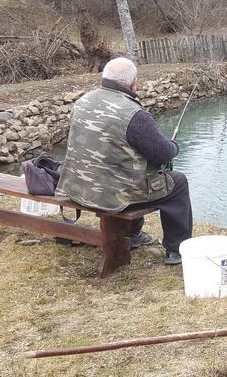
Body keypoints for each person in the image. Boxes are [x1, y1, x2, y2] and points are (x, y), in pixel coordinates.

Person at [58, 57, 192, 265]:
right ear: (133, 83)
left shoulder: (82, 101)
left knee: (130, 170)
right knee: (178, 182)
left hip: (77, 186)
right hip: (111, 195)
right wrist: (174, 146)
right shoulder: (134, 114)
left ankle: (134, 235)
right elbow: (162, 153)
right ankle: (176, 250)